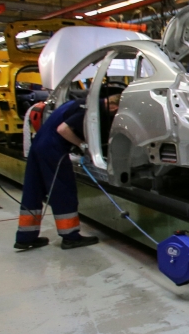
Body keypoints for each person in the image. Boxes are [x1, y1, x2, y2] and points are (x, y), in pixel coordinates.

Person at [14, 94, 120, 250]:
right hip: (53, 150)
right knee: (63, 191)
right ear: (114, 107)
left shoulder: (81, 102)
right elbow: (63, 129)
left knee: (33, 190)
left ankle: (25, 238)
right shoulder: (90, 109)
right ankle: (70, 237)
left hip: (39, 147)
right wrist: (82, 145)